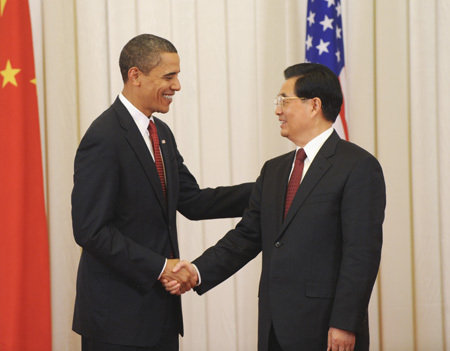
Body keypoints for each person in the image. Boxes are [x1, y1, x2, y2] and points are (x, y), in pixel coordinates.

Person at [164, 63, 386, 351]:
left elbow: (361, 254)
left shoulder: (357, 166)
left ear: (314, 105)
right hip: (273, 328)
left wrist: (345, 323)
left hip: (325, 327)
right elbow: (246, 237)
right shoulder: (275, 170)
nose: (277, 110)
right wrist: (196, 271)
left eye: (284, 101)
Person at [71, 33, 253, 351]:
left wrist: (268, 190)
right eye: (169, 76)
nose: (177, 86)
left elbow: (193, 201)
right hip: (117, 320)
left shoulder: (161, 133)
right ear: (136, 76)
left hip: (160, 315)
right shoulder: (104, 137)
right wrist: (160, 266)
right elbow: (90, 231)